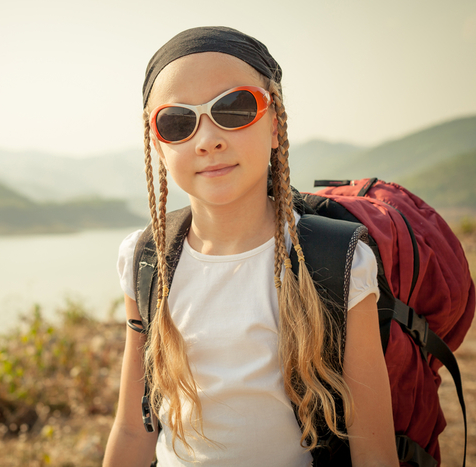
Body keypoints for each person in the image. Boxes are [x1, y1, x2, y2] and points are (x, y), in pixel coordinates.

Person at [103, 27, 398, 467]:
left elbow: (374, 451)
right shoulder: (147, 260)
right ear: (158, 146)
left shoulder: (338, 263)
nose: (207, 140)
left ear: (275, 124)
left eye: (235, 108)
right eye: (178, 122)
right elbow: (132, 428)